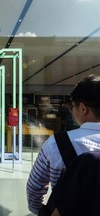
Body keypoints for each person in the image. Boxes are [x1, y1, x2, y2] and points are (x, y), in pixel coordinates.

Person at [26, 74, 100, 215]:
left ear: (83, 108)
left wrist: (40, 210)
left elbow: (34, 187)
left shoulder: (57, 143)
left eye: (73, 106)